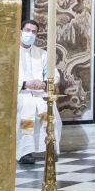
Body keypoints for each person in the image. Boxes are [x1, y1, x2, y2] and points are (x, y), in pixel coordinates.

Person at [17, 19, 60, 164]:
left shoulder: (42, 54)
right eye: (27, 30)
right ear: (20, 31)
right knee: (27, 107)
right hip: (20, 93)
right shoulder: (12, 53)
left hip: (39, 93)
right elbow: (6, 76)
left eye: (34, 32)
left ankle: (48, 147)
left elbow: (55, 74)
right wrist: (24, 84)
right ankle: (25, 152)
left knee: (47, 107)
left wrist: (44, 83)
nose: (30, 34)